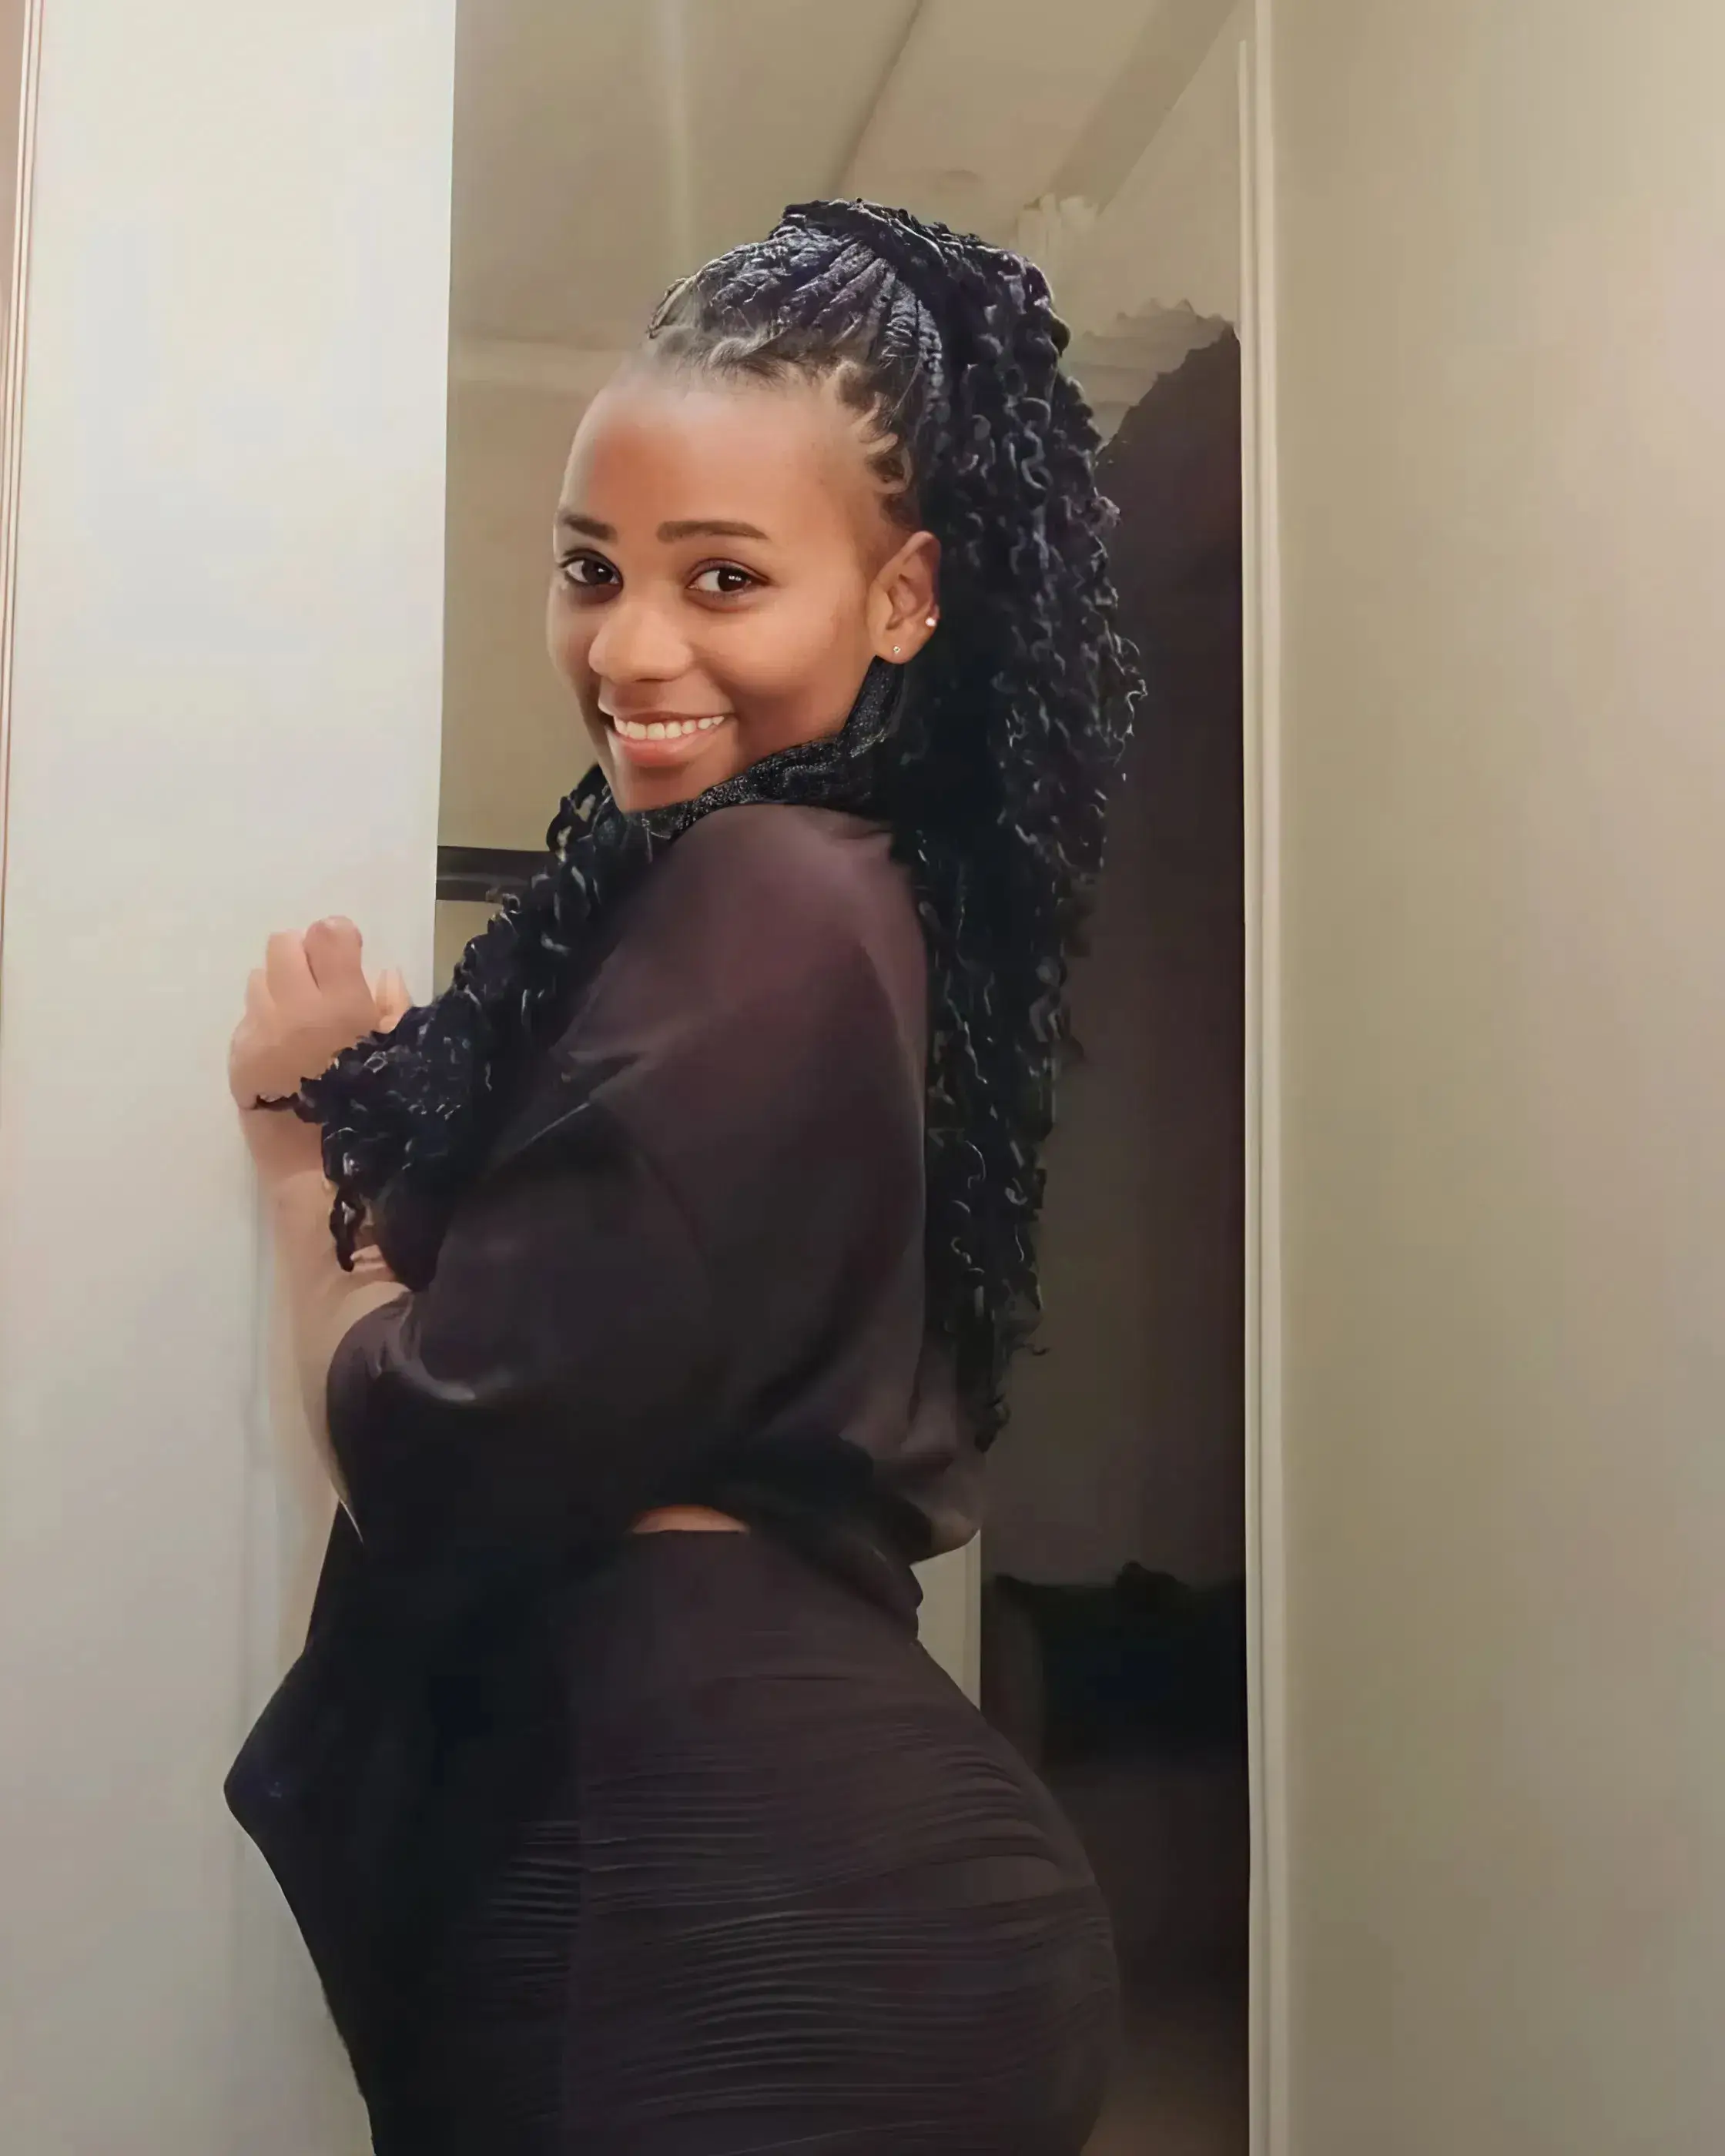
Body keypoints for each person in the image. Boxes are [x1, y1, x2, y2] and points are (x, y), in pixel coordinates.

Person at [226, 198, 1139, 2155]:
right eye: (591, 569)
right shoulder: (836, 904)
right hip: (780, 1878)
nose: (630, 647)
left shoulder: (770, 887)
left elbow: (437, 1440)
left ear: (901, 597)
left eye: (722, 576)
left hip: (732, 1912)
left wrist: (310, 1167)